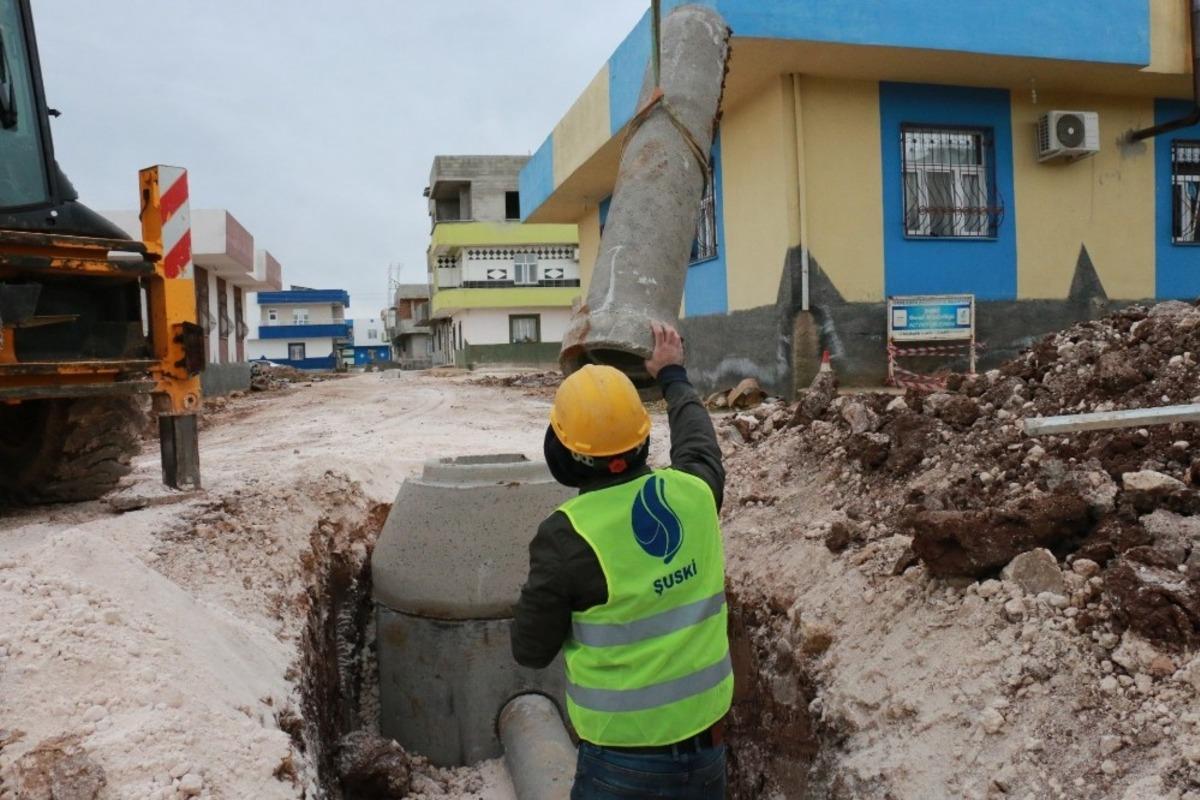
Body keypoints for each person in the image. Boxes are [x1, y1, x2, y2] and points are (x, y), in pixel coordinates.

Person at [512, 321, 731, 799]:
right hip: (708, 754)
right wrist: (672, 373)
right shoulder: (694, 494)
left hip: (622, 765)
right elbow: (699, 443)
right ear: (642, 439)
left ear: (564, 452)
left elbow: (529, 649)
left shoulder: (566, 536)